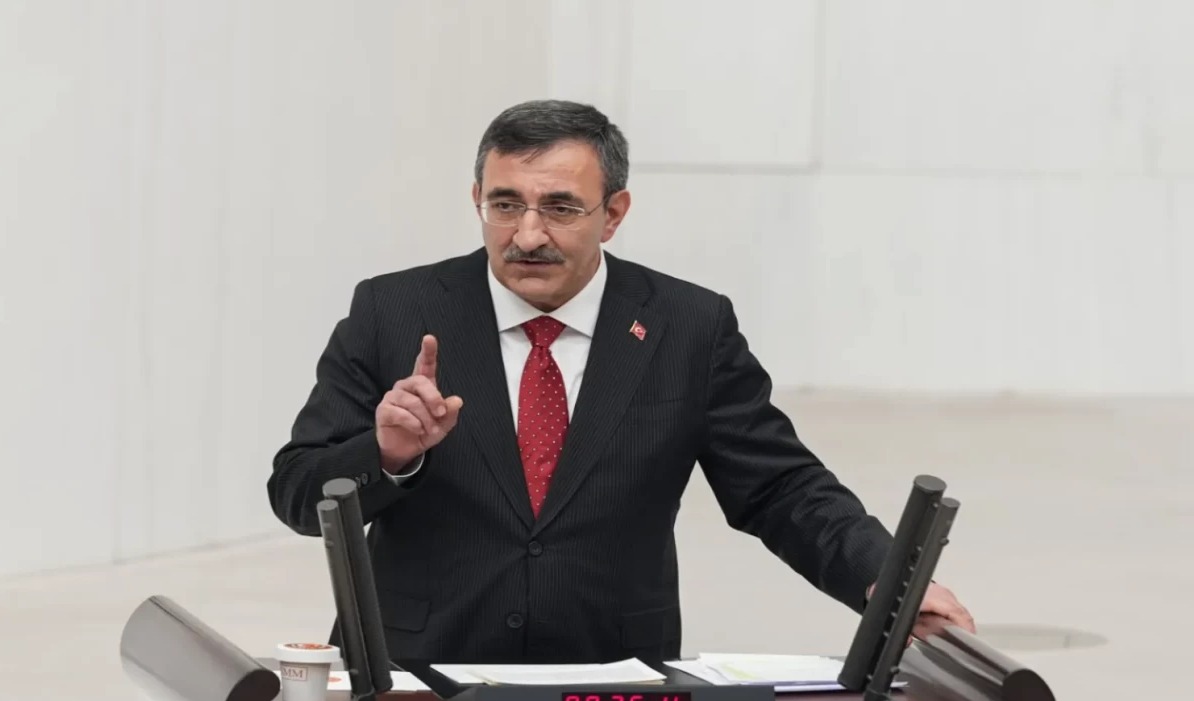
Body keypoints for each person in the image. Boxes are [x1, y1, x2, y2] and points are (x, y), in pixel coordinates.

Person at [267, 99, 974, 664]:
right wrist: (387, 455)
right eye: (505, 205)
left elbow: (780, 487)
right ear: (477, 198)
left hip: (612, 679)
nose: (528, 234)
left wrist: (886, 579)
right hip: (417, 674)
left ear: (613, 214)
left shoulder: (688, 327)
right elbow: (297, 491)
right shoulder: (393, 312)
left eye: (560, 208)